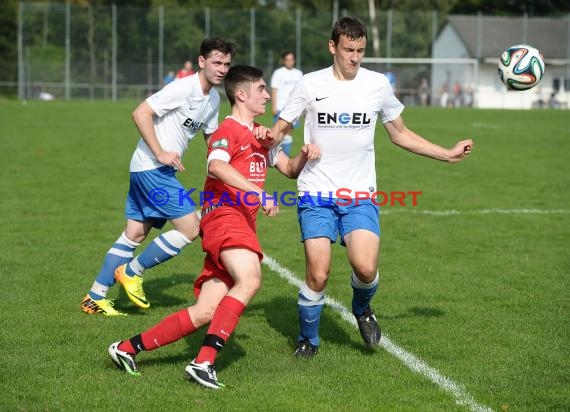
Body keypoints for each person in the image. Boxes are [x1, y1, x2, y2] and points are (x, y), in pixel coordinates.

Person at [270, 16, 473, 357]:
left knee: (365, 268)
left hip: (360, 194)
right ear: (332, 47)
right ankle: (308, 338)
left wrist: (446, 154)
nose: (355, 57)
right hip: (316, 193)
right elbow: (279, 130)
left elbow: (400, 134)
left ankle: (362, 308)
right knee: (318, 275)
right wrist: (259, 139)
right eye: (348, 50)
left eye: (361, 50)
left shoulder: (377, 84)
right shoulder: (309, 84)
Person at [107, 64, 320, 389]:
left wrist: (304, 155)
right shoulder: (227, 131)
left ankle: (126, 348)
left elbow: (289, 170)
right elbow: (218, 166)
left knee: (205, 311)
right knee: (250, 279)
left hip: (238, 223)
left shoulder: (263, 136)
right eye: (262, 89)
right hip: (224, 217)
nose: (267, 94)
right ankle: (203, 362)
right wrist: (258, 192)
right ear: (242, 94)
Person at [80, 38, 236, 316]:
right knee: (191, 227)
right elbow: (141, 112)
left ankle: (95, 296)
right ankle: (131, 272)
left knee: (134, 234)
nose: (222, 69)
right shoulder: (183, 87)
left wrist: (225, 167)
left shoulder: (213, 99)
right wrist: (160, 152)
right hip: (152, 168)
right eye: (216, 62)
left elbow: (212, 140)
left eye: (226, 64)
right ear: (202, 62)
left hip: (150, 170)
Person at [270, 51, 303, 156]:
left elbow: (302, 91)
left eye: (291, 59)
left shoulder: (298, 73)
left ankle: (285, 155)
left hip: (293, 108)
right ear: (284, 61)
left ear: (294, 60)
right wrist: (274, 106)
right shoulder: (278, 73)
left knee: (289, 131)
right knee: (278, 132)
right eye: (287, 60)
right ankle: (274, 153)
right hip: (281, 107)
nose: (289, 62)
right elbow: (274, 90)